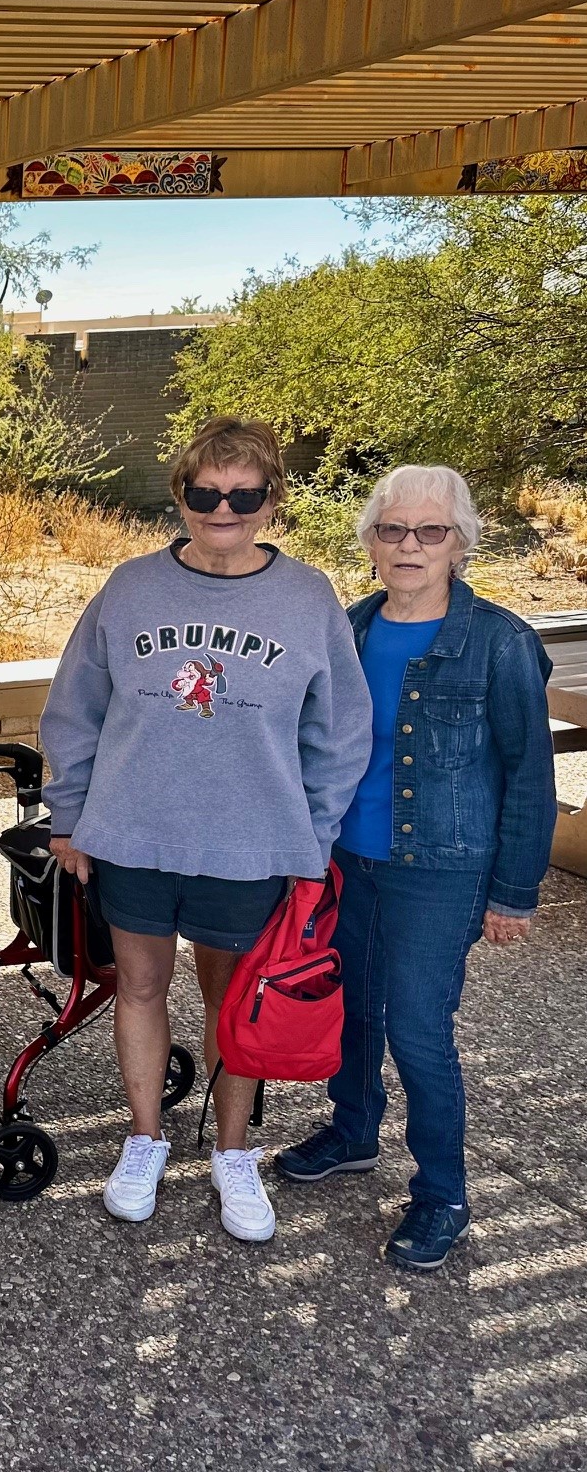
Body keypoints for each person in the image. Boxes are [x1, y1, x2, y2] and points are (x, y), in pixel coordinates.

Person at [40, 417, 370, 1244]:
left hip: (248, 845)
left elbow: (340, 730)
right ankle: (143, 1139)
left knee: (233, 1002)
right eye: (205, 491)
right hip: (135, 834)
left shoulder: (306, 598)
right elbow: (72, 711)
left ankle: (232, 1154)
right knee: (141, 988)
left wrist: (311, 833)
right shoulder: (128, 586)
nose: (223, 508)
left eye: (243, 493)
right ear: (181, 496)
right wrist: (70, 816)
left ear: (270, 501)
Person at [276, 466, 555, 1270]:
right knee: (355, 1008)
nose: (409, 546)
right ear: (368, 541)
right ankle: (353, 1130)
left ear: (458, 544)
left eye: (429, 531)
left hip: (443, 866)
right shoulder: (350, 627)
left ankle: (441, 1194)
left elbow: (528, 772)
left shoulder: (498, 642)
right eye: (392, 530)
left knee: (419, 1030)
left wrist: (513, 891)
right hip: (347, 858)